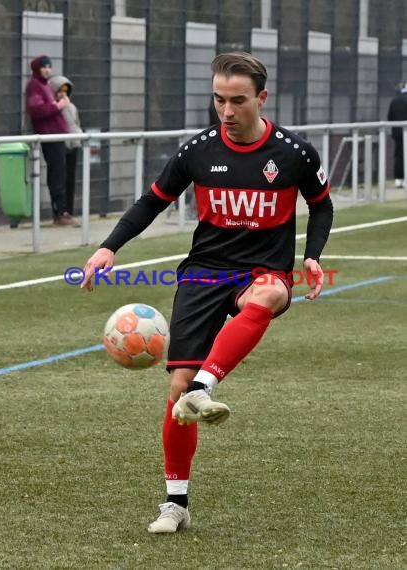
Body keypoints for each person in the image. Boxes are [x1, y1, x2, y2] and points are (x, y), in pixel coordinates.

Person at [80, 52, 334, 533]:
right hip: (204, 273)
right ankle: (175, 503)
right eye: (219, 99)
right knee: (175, 393)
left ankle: (204, 388)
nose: (227, 110)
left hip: (261, 269)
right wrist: (108, 248)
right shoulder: (197, 150)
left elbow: (322, 208)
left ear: (262, 98)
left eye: (238, 100)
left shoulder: (294, 153)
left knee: (270, 296)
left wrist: (313, 255)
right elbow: (152, 201)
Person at [25, 55, 76, 226]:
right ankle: (59, 213)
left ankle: (62, 211)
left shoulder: (44, 85)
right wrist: (58, 106)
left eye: (49, 66)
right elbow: (36, 109)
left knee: (61, 174)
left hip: (57, 136)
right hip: (49, 135)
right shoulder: (35, 85)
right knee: (57, 175)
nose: (47, 69)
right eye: (44, 66)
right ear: (37, 68)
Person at [48, 75, 83, 218]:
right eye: (59, 91)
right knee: (59, 179)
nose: (62, 94)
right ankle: (60, 211)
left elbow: (76, 123)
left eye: (65, 90)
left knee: (70, 179)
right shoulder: (54, 108)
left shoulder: (72, 107)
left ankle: (69, 210)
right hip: (61, 145)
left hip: (74, 144)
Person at [387, 82, 407, 188]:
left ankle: (399, 179)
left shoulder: (394, 101)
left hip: (397, 133)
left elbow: (390, 117)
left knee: (399, 155)